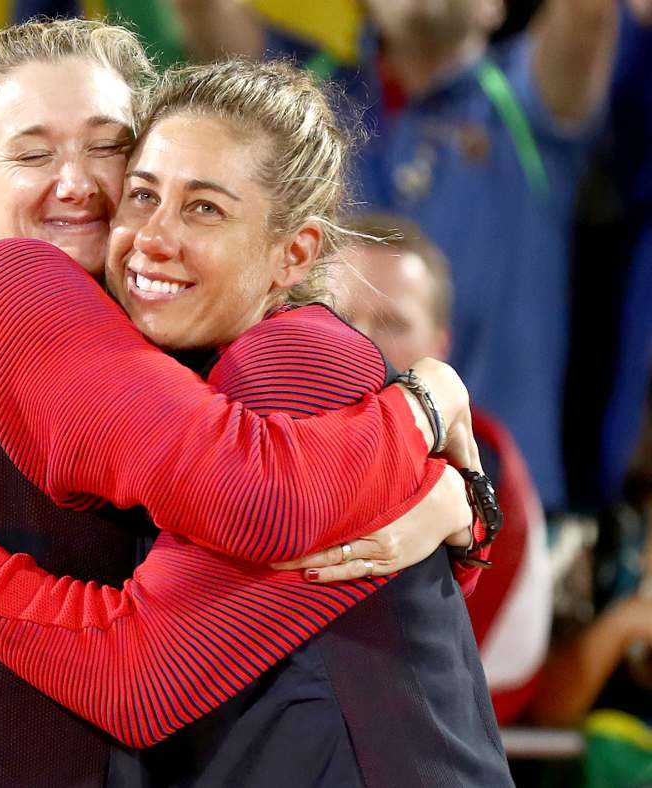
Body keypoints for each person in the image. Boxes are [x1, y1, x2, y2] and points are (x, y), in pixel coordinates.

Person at [0, 30, 509, 786]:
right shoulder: (10, 280)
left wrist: (451, 476)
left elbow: (159, 657)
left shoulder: (278, 358)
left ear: (293, 252)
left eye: (108, 150)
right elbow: (255, 507)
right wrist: (428, 417)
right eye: (32, 154)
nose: (79, 185)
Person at [174, 0, 619, 514]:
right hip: (302, 502)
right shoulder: (295, 101)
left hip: (499, 520)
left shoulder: (532, 101)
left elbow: (587, 13)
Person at [332, 211, 552, 724]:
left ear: (440, 344)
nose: (360, 341)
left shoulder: (491, 465)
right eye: (338, 315)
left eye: (392, 322)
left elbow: (495, 674)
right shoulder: (245, 430)